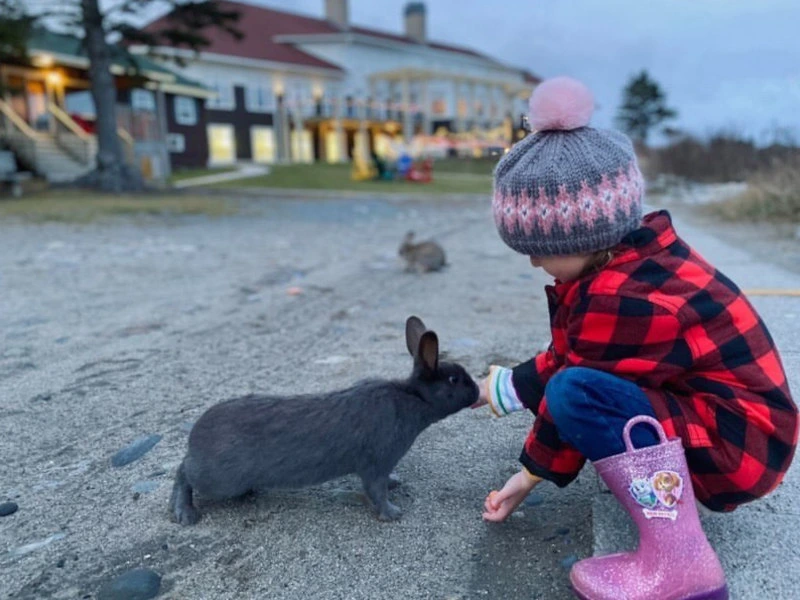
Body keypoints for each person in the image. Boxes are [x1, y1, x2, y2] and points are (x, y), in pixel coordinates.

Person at [473, 76, 798, 600]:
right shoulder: (634, 261)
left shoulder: (625, 298)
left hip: (740, 449)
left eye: (539, 249)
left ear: (584, 235)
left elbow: (574, 378)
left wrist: (532, 472)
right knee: (580, 385)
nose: (533, 262)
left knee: (577, 394)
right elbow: (573, 352)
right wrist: (505, 396)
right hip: (741, 428)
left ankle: (683, 569)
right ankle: (663, 501)